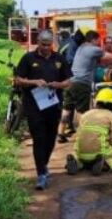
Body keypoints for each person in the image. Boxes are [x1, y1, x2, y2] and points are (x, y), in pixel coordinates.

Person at [14, 31, 72, 190]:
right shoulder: (28, 59)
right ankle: (40, 173)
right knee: (38, 138)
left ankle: (44, 164)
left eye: (49, 45)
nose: (46, 48)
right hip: (33, 106)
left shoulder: (59, 59)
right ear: (38, 43)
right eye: (43, 44)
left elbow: (68, 81)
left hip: (53, 105)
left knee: (50, 138)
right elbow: (18, 80)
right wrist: (34, 82)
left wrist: (58, 85)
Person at [58, 30, 112, 143]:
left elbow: (94, 62)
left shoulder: (81, 48)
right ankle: (81, 137)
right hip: (81, 83)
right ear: (94, 39)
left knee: (66, 109)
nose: (99, 43)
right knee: (82, 112)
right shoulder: (93, 49)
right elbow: (110, 57)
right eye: (98, 40)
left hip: (70, 82)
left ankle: (60, 134)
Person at [65, 88, 112, 175]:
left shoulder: (86, 114)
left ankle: (77, 163)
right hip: (100, 151)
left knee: (81, 159)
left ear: (97, 102)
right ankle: (104, 164)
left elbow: (79, 133)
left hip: (81, 151)